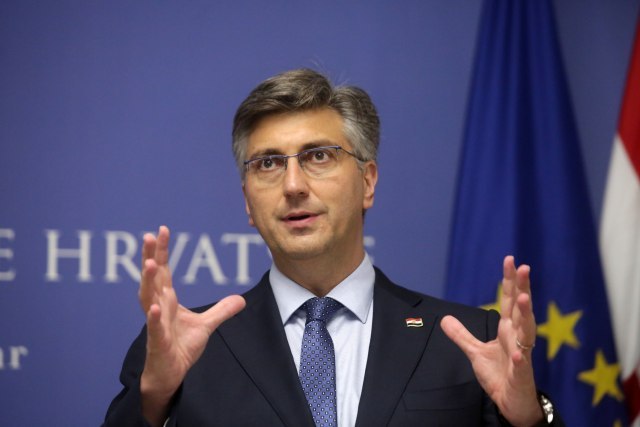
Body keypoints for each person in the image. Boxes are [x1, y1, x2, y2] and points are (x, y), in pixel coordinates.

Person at [104, 69, 561, 426]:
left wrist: (525, 420)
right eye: (268, 163)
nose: (293, 185)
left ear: (368, 181)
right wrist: (154, 397)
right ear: (247, 201)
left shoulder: (469, 339)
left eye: (318, 156)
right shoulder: (183, 349)